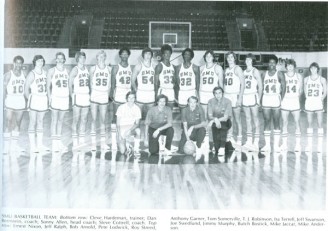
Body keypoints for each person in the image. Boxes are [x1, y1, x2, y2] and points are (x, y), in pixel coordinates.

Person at [24, 55, 50, 153]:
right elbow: (26, 89)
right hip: (34, 98)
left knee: (40, 122)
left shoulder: (45, 73)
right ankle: (32, 146)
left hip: (43, 99)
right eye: (38, 61)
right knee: (32, 122)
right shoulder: (32, 73)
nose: (40, 62)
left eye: (42, 61)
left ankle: (39, 145)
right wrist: (29, 99)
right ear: (34, 62)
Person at [199, 50, 223, 151]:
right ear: (205, 57)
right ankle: (206, 140)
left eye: (210, 56)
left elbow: (221, 84)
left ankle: (215, 142)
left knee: (213, 119)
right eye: (207, 56)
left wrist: (221, 98)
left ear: (213, 57)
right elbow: (199, 83)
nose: (208, 57)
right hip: (203, 95)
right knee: (204, 119)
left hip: (213, 96)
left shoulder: (217, 68)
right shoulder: (201, 68)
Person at [261, 56, 285, 153]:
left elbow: (284, 87)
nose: (271, 64)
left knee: (276, 121)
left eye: (273, 62)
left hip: (275, 98)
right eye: (270, 62)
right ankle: (267, 146)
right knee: (266, 121)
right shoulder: (264, 74)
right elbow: (260, 87)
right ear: (268, 63)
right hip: (266, 98)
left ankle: (276, 146)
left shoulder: (279, 74)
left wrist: (281, 99)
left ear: (276, 64)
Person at [46, 52, 69, 153]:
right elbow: (47, 86)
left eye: (61, 58)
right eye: (58, 58)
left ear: (64, 60)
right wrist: (49, 97)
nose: (60, 60)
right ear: (55, 60)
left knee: (60, 121)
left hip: (64, 98)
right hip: (55, 98)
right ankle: (54, 144)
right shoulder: (51, 71)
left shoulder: (67, 71)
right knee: (54, 120)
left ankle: (59, 142)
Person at [89, 50, 111, 152]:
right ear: (97, 58)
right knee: (94, 120)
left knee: (103, 120)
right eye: (99, 56)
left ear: (105, 57)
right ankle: (93, 144)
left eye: (103, 56)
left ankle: (103, 143)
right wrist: (92, 93)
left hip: (104, 96)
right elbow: (90, 83)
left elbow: (110, 85)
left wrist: (107, 95)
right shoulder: (93, 69)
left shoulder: (109, 69)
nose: (101, 58)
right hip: (95, 95)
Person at [3, 55, 26, 154]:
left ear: (22, 64)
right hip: (10, 100)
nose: (18, 65)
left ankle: (14, 146)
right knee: (8, 123)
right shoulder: (8, 74)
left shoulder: (24, 74)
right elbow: (3, 90)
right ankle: (6, 147)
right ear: (14, 63)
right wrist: (3, 101)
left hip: (20, 100)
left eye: (20, 63)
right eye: (16, 62)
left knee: (18, 124)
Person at [280, 59, 303, 152]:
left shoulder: (298, 76)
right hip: (285, 101)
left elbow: (301, 90)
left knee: (297, 122)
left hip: (294, 101)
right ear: (286, 67)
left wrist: (297, 97)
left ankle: (298, 145)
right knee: (284, 123)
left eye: (291, 65)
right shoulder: (283, 76)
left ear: (294, 66)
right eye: (288, 65)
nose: (289, 67)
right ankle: (284, 144)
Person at [69, 51, 90, 151]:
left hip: (85, 96)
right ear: (77, 59)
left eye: (84, 58)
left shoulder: (87, 69)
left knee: (84, 119)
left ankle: (81, 140)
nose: (82, 59)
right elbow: (70, 83)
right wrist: (71, 95)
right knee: (76, 120)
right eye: (81, 58)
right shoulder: (75, 69)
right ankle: (75, 142)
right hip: (77, 96)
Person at [223, 51, 245, 148]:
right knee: (228, 118)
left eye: (232, 57)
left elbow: (243, 84)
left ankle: (239, 139)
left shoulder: (238, 69)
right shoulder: (226, 70)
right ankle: (230, 137)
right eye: (228, 57)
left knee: (237, 119)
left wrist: (240, 98)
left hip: (235, 95)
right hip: (227, 96)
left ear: (234, 58)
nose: (230, 59)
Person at [304, 62, 327, 153]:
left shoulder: (322, 79)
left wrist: (321, 98)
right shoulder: (306, 79)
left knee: (320, 124)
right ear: (310, 69)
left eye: (315, 68)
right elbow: (305, 92)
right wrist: (308, 99)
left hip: (318, 103)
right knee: (309, 124)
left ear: (318, 69)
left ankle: (319, 146)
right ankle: (309, 146)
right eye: (311, 68)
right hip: (309, 103)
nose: (313, 70)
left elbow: (325, 92)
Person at [242, 53, 263, 152]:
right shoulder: (243, 71)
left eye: (249, 60)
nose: (247, 61)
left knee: (255, 119)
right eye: (246, 59)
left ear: (252, 61)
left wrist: (259, 98)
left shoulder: (255, 71)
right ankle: (249, 141)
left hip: (253, 96)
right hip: (245, 96)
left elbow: (260, 86)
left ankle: (256, 141)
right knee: (247, 119)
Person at [207, 87, 232, 160]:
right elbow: (210, 115)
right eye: (216, 93)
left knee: (223, 125)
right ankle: (224, 145)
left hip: (226, 122)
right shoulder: (210, 101)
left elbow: (226, 117)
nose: (218, 95)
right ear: (214, 94)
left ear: (223, 93)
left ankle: (222, 147)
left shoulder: (228, 101)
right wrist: (214, 119)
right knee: (216, 149)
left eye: (220, 93)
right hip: (215, 122)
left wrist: (216, 120)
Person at [116, 91, 141, 156]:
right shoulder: (121, 107)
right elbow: (118, 124)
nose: (131, 99)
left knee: (138, 131)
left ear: (135, 99)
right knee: (122, 151)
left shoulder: (137, 108)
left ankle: (136, 149)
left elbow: (137, 123)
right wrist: (119, 134)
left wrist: (129, 130)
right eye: (129, 98)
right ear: (126, 98)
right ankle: (128, 144)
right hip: (122, 128)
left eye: (133, 98)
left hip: (131, 128)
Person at [154, 44, 176, 109]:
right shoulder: (159, 66)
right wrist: (156, 95)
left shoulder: (173, 67)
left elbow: (175, 81)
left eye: (169, 53)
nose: (167, 55)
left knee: (170, 111)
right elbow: (156, 83)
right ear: (162, 54)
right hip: (162, 90)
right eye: (166, 53)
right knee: (161, 111)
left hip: (171, 91)